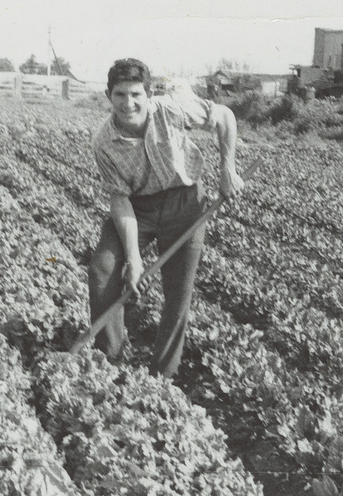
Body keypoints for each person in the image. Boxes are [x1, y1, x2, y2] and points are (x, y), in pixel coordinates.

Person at [88, 58, 244, 378]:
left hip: (184, 203)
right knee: (103, 270)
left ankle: (163, 376)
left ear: (148, 94)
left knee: (178, 292)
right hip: (137, 208)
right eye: (120, 95)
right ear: (108, 95)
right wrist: (134, 259)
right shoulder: (103, 141)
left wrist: (227, 169)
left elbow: (225, 117)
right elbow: (120, 201)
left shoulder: (172, 108)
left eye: (136, 94)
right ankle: (110, 360)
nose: (128, 103)